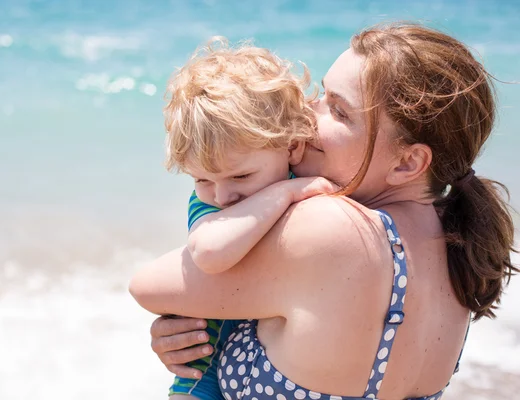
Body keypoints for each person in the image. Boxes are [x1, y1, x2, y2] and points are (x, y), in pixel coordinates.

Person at [131, 22, 517, 400]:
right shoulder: (457, 249)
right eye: (321, 96)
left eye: (338, 111)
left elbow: (149, 286)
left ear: (408, 163)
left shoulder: (332, 225)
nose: (310, 116)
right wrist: (209, 328)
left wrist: (187, 325)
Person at [162, 38, 336, 399]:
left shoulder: (304, 186)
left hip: (269, 359)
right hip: (203, 371)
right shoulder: (208, 206)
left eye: (240, 177)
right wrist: (283, 193)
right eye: (202, 179)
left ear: (291, 146)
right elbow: (210, 254)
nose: (223, 197)